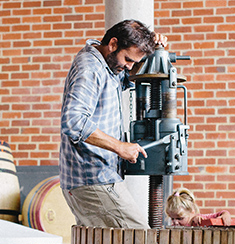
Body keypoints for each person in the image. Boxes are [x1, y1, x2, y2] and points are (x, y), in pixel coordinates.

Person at [59, 19, 167, 229]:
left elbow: (128, 77)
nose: (129, 66)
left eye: (134, 62)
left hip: (97, 177)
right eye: (128, 59)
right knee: (140, 240)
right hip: (93, 178)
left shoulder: (108, 66)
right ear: (113, 43)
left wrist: (152, 49)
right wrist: (120, 147)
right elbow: (73, 121)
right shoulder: (90, 69)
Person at [165, 188, 232, 226]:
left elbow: (219, 214)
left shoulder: (199, 220)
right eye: (172, 219)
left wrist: (225, 214)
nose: (175, 222)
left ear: (192, 212)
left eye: (180, 219)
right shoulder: (173, 228)